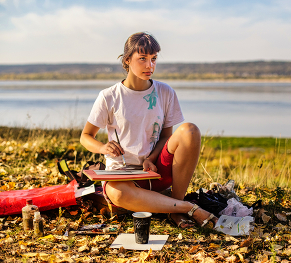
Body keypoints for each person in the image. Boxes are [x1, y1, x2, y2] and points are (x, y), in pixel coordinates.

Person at [80, 32, 217, 229]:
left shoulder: (165, 92)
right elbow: (86, 136)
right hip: (122, 176)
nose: (149, 65)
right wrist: (103, 148)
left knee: (190, 131)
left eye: (153, 59)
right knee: (117, 194)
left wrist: (150, 158)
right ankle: (185, 208)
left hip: (155, 172)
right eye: (142, 59)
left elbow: (166, 138)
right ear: (127, 60)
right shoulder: (109, 96)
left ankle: (174, 207)